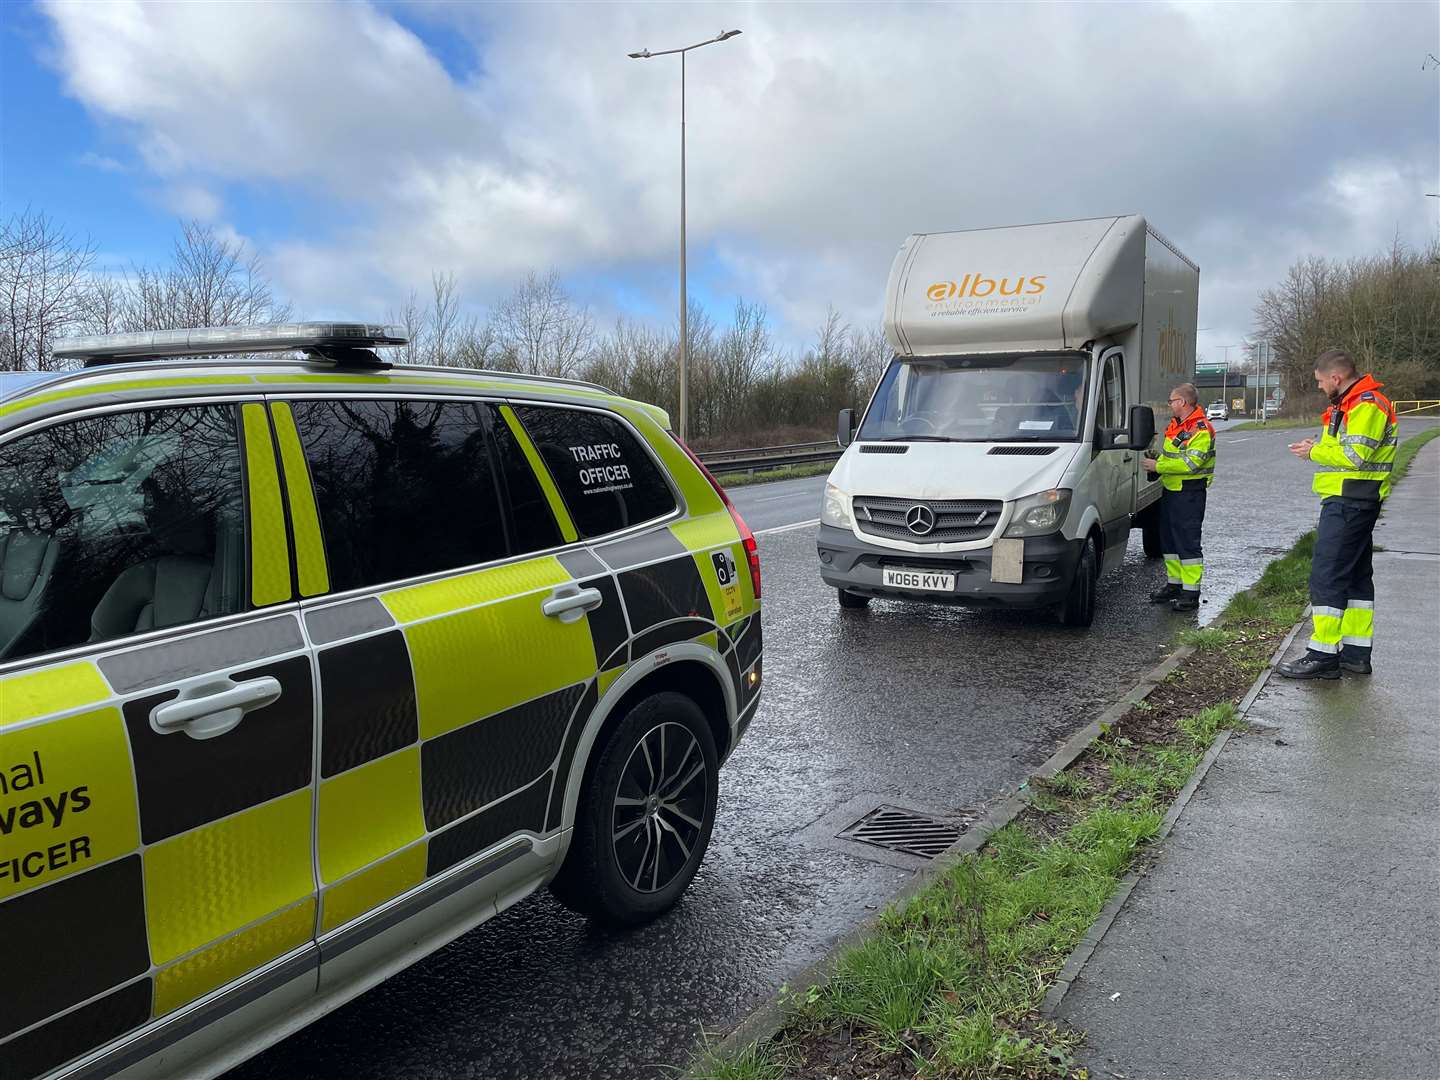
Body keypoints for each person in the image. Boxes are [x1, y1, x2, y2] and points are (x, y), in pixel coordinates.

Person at [1276, 349, 1397, 679]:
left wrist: (1314, 451)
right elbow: (1344, 450)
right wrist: (1318, 447)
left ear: (1336, 377)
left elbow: (1356, 455)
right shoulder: (1350, 404)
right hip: (1352, 499)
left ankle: (1323, 654)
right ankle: (1356, 654)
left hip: (1350, 501)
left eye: (1319, 381)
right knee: (1356, 578)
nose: (1318, 387)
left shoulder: (1366, 403)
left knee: (1326, 575)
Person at [1142, 382, 1216, 612]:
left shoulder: (1201, 428)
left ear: (1182, 402)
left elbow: (1191, 463)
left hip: (1190, 493)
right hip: (1172, 491)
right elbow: (1173, 455)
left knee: (1187, 544)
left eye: (1172, 400)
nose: (1170, 404)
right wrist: (1158, 460)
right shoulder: (1179, 425)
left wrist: (1158, 464)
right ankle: (1174, 585)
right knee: (1170, 541)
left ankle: (1191, 592)